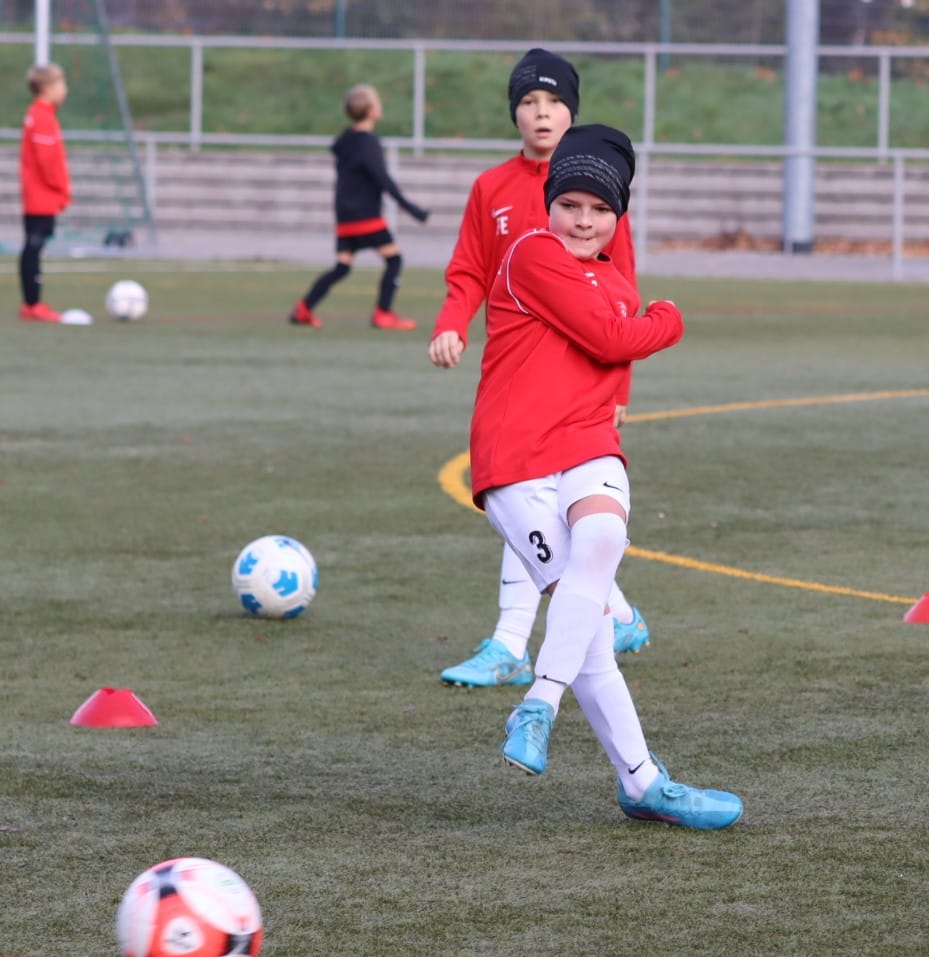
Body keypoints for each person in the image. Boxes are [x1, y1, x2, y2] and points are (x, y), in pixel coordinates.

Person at [464, 123, 742, 830]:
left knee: (601, 548)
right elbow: (614, 338)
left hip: (588, 445)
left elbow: (615, 351)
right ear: (549, 207)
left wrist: (639, 327)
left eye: (599, 209)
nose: (582, 220)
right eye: (569, 205)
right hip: (514, 460)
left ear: (619, 216)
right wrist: (668, 319)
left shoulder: (615, 279)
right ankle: (642, 782)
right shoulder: (532, 254)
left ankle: (538, 706)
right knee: (586, 633)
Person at [430, 48, 650, 690]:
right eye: (529, 101)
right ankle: (615, 613)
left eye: (554, 101)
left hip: (579, 381)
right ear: (515, 113)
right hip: (517, 374)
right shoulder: (492, 188)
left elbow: (622, 291)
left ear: (571, 111)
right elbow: (470, 267)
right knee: (524, 495)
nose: (542, 113)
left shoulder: (595, 187)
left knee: (531, 494)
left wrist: (619, 384)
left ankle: (514, 642)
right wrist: (452, 321)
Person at [289, 84, 428, 331]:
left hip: (344, 215)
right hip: (365, 216)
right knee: (394, 260)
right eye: (377, 102)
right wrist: (411, 208)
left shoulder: (345, 139)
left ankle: (304, 308)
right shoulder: (368, 142)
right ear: (371, 111)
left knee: (342, 267)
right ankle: (383, 313)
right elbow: (383, 179)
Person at [18, 63, 70, 323]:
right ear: (47, 88)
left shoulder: (40, 114)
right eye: (61, 84)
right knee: (33, 247)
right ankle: (32, 304)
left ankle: (32, 302)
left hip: (38, 194)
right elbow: (47, 160)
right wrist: (60, 188)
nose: (65, 90)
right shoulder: (41, 116)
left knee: (34, 247)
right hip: (42, 195)